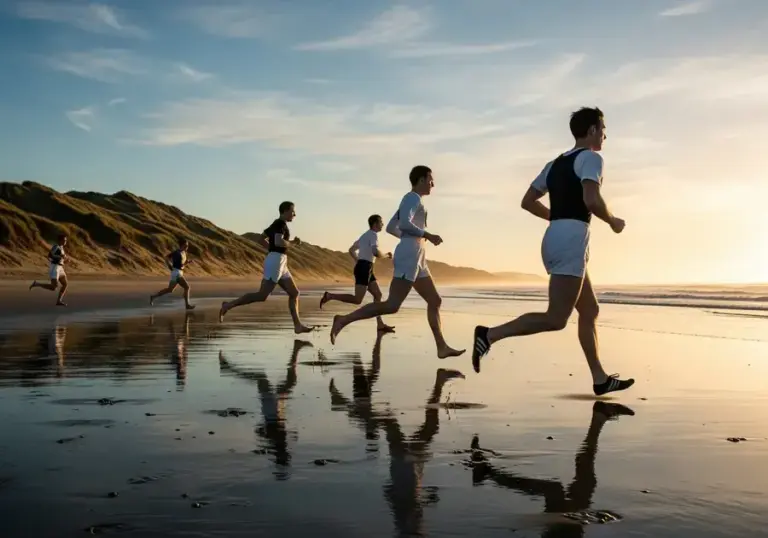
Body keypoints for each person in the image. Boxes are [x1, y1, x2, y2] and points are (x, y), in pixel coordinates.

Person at [471, 107, 634, 396]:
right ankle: (489, 335)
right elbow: (592, 199)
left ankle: (600, 378)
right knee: (556, 319)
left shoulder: (555, 164)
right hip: (570, 241)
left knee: (590, 309)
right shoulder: (592, 158)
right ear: (592, 130)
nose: (605, 136)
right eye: (603, 129)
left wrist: (557, 219)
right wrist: (612, 221)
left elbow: (527, 201)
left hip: (558, 237)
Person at [330, 166, 464, 358]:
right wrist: (426, 235)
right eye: (430, 180)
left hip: (417, 256)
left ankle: (441, 347)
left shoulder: (412, 200)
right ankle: (343, 320)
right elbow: (404, 224)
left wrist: (411, 238)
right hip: (409, 255)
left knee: (435, 300)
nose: (433, 184)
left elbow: (392, 227)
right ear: (421, 180)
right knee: (392, 305)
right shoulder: (412, 198)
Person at [219, 201, 314, 334]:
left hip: (280, 261)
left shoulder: (276, 224)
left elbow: (261, 239)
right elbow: (278, 241)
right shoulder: (280, 224)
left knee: (294, 293)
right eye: (292, 211)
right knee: (262, 295)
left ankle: (298, 326)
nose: (294, 214)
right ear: (285, 211)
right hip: (275, 261)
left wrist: (272, 249)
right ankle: (228, 305)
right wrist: (293, 243)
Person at [319, 214, 395, 333]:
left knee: (378, 295)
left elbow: (351, 250)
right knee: (357, 299)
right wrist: (387, 255)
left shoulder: (364, 236)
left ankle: (380, 324)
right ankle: (330, 296)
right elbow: (375, 252)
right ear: (375, 224)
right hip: (364, 267)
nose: (382, 224)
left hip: (366, 267)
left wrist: (358, 261)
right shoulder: (373, 235)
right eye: (381, 222)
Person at [150, 238, 195, 310]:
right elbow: (166, 258)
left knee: (170, 290)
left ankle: (153, 297)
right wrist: (169, 266)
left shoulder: (184, 253)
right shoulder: (177, 253)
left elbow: (182, 264)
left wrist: (187, 262)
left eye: (187, 245)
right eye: (186, 245)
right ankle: (187, 305)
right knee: (187, 287)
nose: (187, 247)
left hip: (178, 272)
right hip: (176, 273)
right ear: (182, 245)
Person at [29, 233, 69, 306]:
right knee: (53, 287)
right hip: (55, 268)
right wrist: (60, 256)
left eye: (66, 240)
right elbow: (50, 255)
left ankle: (59, 301)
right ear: (60, 240)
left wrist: (65, 260)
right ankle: (37, 284)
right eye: (64, 240)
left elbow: (61, 258)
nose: (65, 241)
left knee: (65, 284)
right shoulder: (56, 247)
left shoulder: (61, 248)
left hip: (60, 268)